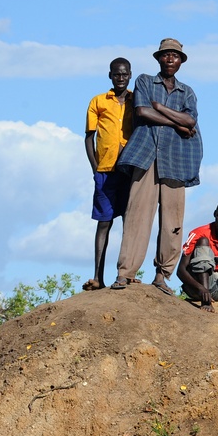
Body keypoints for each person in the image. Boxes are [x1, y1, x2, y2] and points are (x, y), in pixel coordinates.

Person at [112, 38, 203, 295]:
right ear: (159, 59)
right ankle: (125, 272)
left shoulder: (187, 92)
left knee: (172, 220)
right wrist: (177, 124)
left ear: (181, 61)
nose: (170, 59)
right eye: (166, 55)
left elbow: (190, 119)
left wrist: (161, 108)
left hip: (177, 159)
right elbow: (142, 111)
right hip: (146, 155)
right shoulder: (144, 81)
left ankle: (163, 276)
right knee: (137, 215)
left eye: (175, 56)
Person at [83, 57, 134, 292]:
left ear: (130, 75)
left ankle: (125, 275)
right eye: (117, 74)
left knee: (129, 222)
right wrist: (95, 168)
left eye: (124, 74)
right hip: (105, 170)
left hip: (129, 170)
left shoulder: (136, 100)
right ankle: (97, 277)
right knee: (104, 222)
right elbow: (89, 137)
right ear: (110, 76)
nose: (121, 78)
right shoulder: (98, 101)